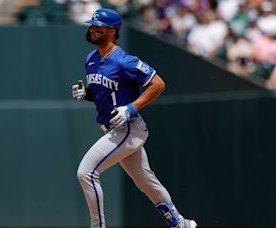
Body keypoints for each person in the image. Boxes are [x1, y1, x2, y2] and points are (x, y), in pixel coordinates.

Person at [72, 8, 198, 228]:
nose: (92, 29)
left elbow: (158, 84)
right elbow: (107, 94)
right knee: (146, 182)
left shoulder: (124, 61)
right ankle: (180, 224)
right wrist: (87, 94)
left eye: (97, 26)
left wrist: (131, 108)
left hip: (128, 128)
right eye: (91, 25)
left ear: (112, 31)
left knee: (86, 172)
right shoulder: (91, 59)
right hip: (112, 128)